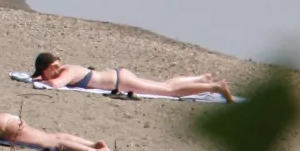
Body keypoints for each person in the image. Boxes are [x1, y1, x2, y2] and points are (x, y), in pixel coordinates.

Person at [31, 52, 233, 102]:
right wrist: (40, 78)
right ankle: (201, 78)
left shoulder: (68, 71)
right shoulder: (66, 69)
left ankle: (214, 87)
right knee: (163, 85)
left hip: (122, 81)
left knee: (170, 92)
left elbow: (56, 85)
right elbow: (54, 81)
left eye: (43, 72)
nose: (43, 76)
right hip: (120, 76)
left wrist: (39, 81)